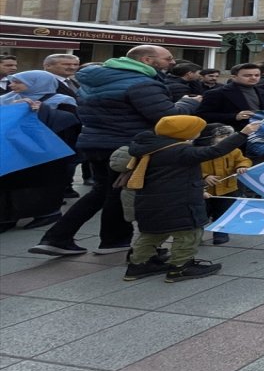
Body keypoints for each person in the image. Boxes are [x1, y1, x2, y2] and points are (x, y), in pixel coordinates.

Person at [30, 45, 200, 256]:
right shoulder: (141, 83)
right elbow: (167, 117)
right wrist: (187, 103)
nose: (173, 62)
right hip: (125, 144)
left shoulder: (96, 79)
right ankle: (113, 241)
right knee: (119, 192)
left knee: (103, 191)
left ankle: (58, 238)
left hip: (95, 142)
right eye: (168, 58)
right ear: (147, 60)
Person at [122, 116, 260, 282]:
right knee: (188, 233)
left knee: (153, 233)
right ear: (183, 132)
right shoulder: (179, 150)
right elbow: (215, 151)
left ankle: (138, 265)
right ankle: (181, 267)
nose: (200, 133)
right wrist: (242, 134)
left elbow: (173, 177)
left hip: (151, 201)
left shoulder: (152, 146)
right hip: (179, 203)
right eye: (196, 129)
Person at [0, 71, 79, 233]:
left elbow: (70, 123)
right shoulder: (6, 99)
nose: (11, 85)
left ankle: (47, 213)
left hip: (45, 153)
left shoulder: (62, 100)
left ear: (37, 83)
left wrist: (42, 110)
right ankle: (9, 215)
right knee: (10, 183)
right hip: (15, 149)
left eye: (17, 82)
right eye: (12, 82)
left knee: (42, 183)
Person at [194, 123, 252, 245]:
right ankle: (196, 237)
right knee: (201, 214)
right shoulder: (200, 152)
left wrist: (241, 166)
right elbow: (192, 169)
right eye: (221, 136)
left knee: (223, 213)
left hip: (227, 188)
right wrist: (205, 176)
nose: (226, 139)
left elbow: (243, 160)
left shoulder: (233, 151)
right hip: (205, 190)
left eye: (228, 136)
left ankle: (220, 234)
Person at [196, 63, 264, 132]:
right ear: (234, 77)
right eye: (247, 75)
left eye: (257, 75)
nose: (253, 78)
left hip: (262, 135)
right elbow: (202, 116)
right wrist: (235, 116)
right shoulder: (216, 93)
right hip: (232, 136)